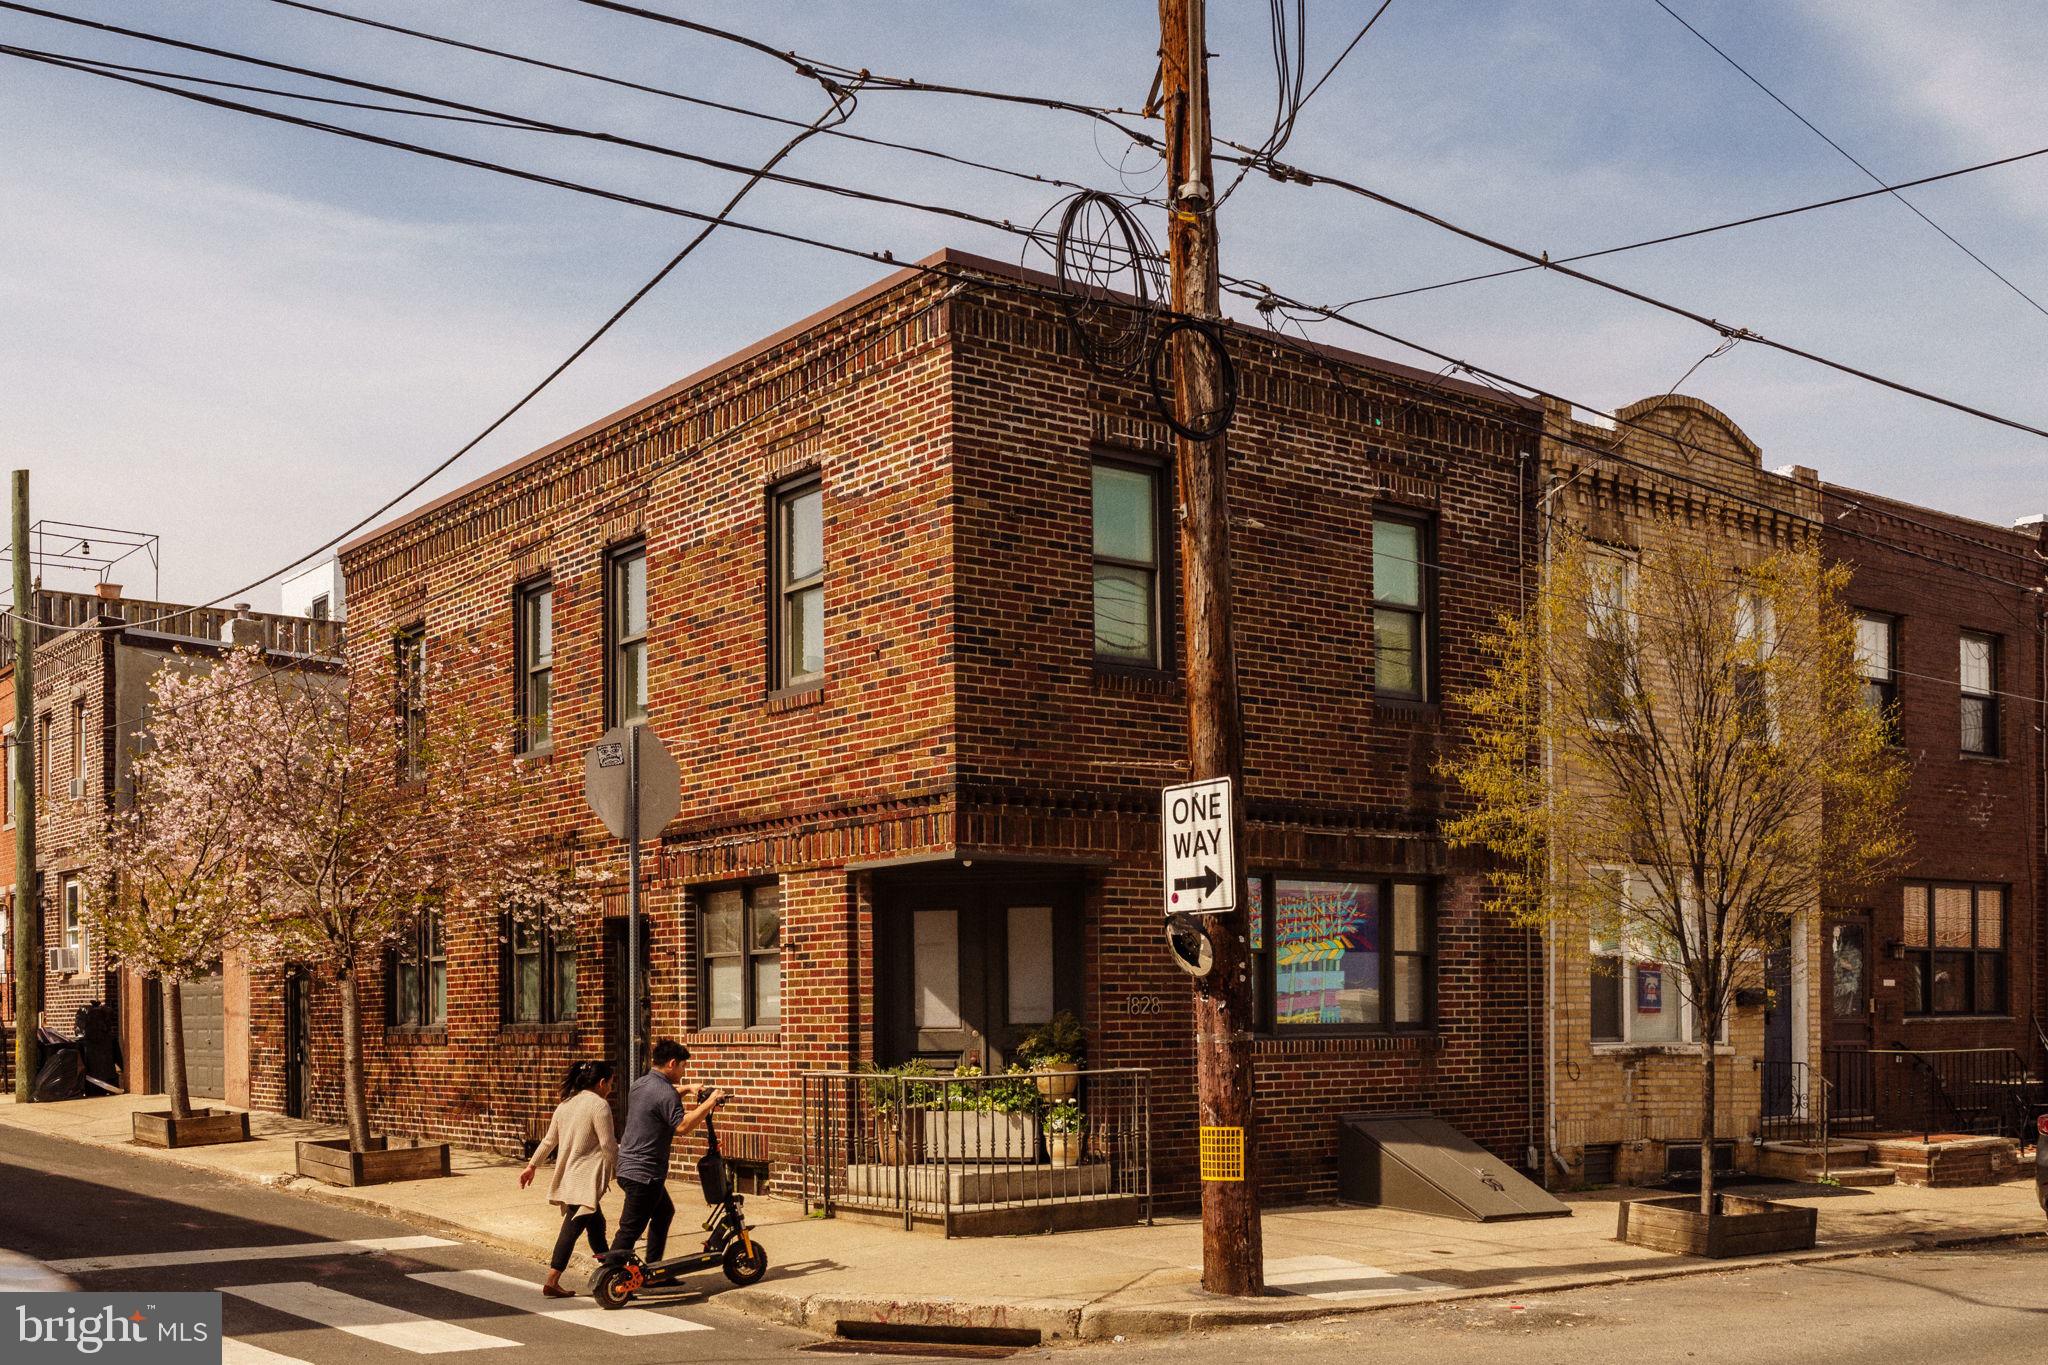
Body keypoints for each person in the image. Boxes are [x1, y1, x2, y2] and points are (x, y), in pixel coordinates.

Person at [607, 1039, 724, 1266]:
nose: (684, 1072)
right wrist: (710, 1102)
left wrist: (688, 1089)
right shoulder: (665, 1093)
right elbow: (682, 1126)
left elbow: (661, 1098)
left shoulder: (641, 1084)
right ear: (672, 1063)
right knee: (629, 1231)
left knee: (663, 1213)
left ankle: (654, 1270)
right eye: (683, 1066)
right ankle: (609, 1275)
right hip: (645, 1174)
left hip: (628, 1167)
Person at [519, 1060, 618, 1298]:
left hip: (570, 1177)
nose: (611, 1089)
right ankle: (552, 1280)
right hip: (585, 1180)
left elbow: (548, 1141)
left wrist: (532, 1166)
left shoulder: (565, 1104)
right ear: (602, 1082)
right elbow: (608, 1145)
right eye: (611, 1083)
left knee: (597, 1227)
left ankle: (611, 1273)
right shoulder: (599, 1106)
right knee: (571, 1230)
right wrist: (622, 1169)